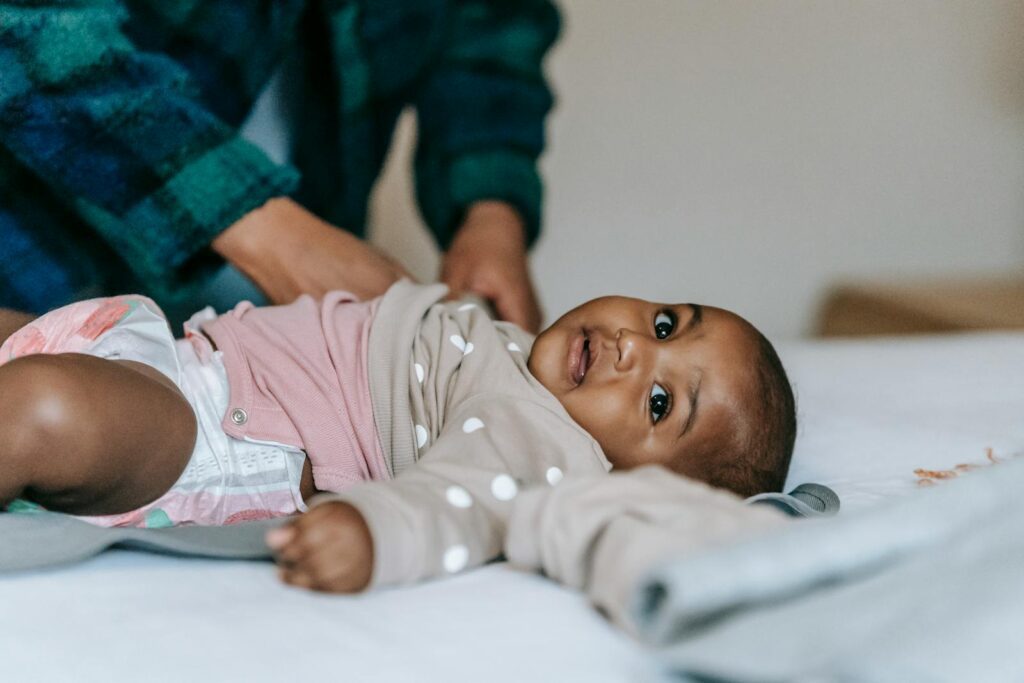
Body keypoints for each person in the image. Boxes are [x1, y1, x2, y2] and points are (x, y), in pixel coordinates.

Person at [0, 279, 796, 591]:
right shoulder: (527, 358)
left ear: (635, 481)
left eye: (660, 403)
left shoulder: (543, 435)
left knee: (42, 409)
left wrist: (376, 532)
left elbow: (466, 500)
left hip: (213, 435)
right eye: (666, 323)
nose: (635, 347)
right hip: (172, 358)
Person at [0, 0, 556, 331]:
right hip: (31, 258)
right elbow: (26, 24)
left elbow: (491, 24)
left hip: (284, 315)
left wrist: (489, 212)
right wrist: (266, 232)